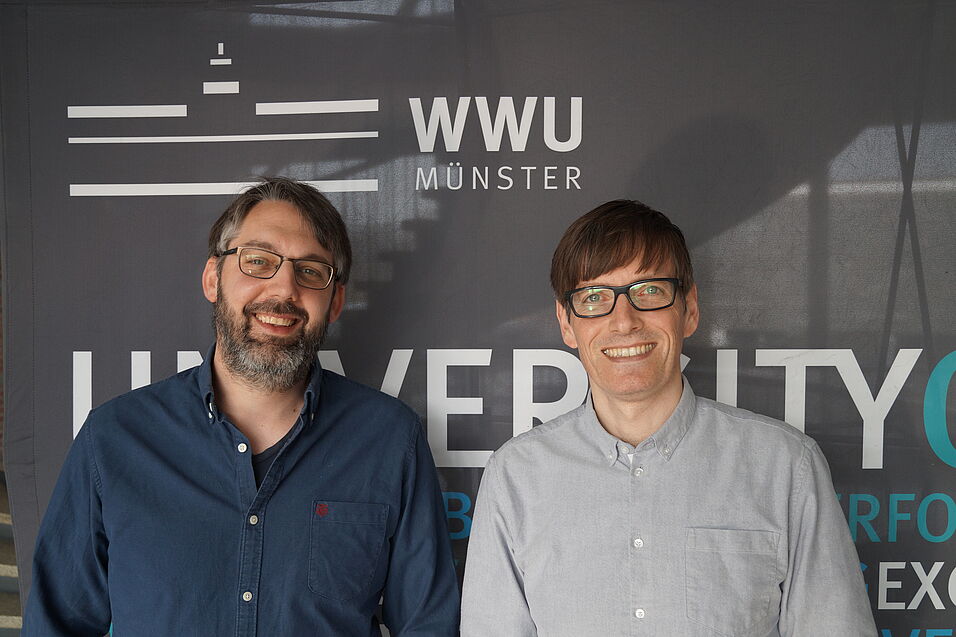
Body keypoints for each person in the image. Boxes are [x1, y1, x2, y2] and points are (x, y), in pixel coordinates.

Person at [23, 178, 459, 636]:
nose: (284, 289)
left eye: (311, 271)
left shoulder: (390, 440)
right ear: (214, 278)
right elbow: (56, 626)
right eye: (258, 261)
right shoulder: (113, 439)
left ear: (335, 303)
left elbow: (428, 626)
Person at [461, 200, 876, 636]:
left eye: (649, 291)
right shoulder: (515, 477)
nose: (624, 322)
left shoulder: (787, 467)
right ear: (567, 323)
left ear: (690, 308)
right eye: (595, 297)